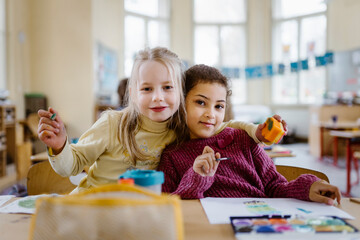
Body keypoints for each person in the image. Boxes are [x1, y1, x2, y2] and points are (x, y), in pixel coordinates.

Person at [38, 47, 278, 194]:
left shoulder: (181, 128)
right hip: (95, 207)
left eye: (167, 87)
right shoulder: (113, 123)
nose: (158, 97)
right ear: (132, 92)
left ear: (181, 94)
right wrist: (60, 145)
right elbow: (70, 166)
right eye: (146, 89)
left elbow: (223, 126)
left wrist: (255, 131)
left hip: (143, 214)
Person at [158, 64, 341, 205]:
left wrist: (307, 188)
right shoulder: (171, 156)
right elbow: (169, 207)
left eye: (219, 106)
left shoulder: (242, 139)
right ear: (181, 103)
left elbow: (275, 187)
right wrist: (197, 177)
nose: (211, 114)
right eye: (200, 102)